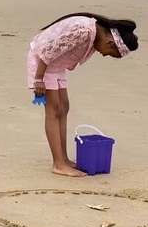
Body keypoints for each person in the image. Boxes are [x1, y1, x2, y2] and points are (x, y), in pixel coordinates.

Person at [28, 12, 138, 176]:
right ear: (110, 43)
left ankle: (63, 159)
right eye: (110, 53)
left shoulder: (94, 32)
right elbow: (47, 51)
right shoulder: (84, 31)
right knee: (53, 110)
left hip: (56, 65)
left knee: (64, 108)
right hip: (42, 64)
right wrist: (38, 79)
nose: (104, 55)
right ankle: (58, 164)